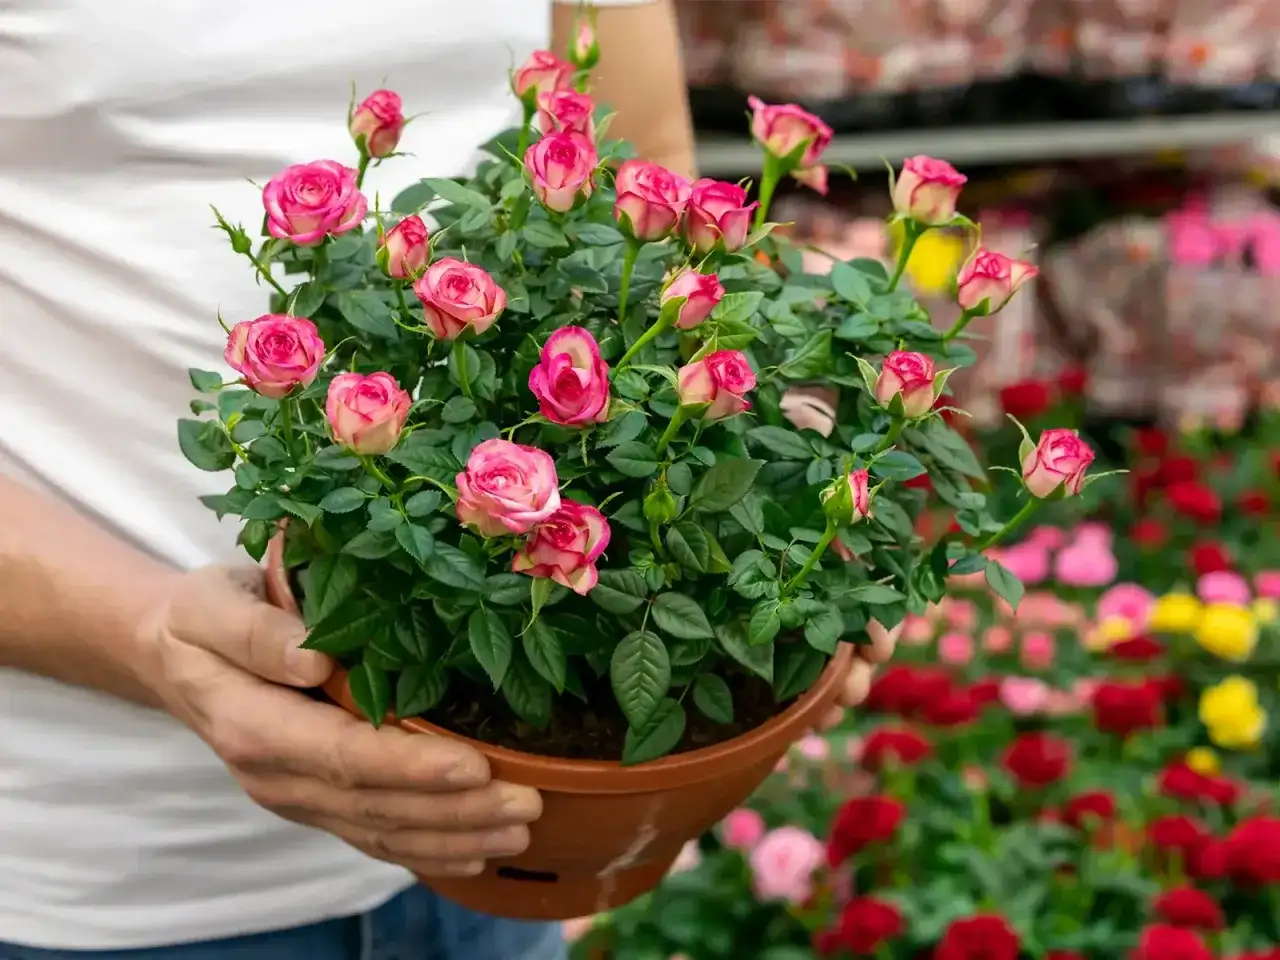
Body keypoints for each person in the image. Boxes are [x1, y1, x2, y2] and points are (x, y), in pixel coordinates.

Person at [0, 1, 895, 958]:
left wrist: (772, 454)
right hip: (106, 868)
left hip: (508, 852)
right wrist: (144, 638)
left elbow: (650, 164)